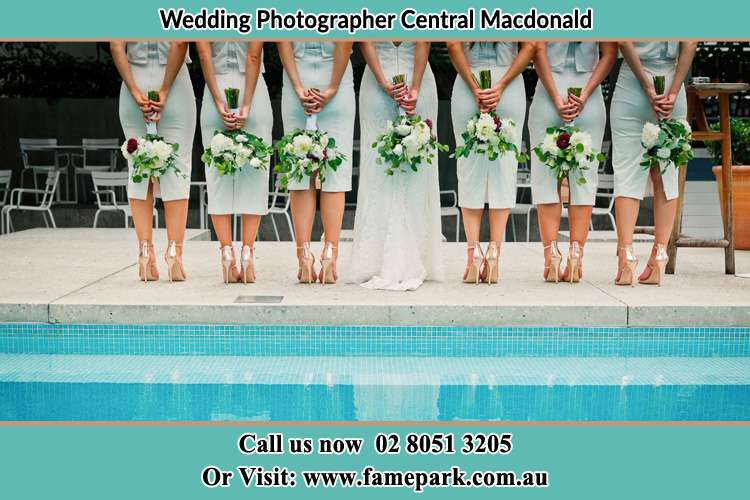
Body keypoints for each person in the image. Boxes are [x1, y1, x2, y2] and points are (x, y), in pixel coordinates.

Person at [347, 42, 444, 291]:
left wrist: (386, 82)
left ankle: (399, 254)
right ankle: (387, 255)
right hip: (404, 81)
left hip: (396, 79)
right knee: (380, 165)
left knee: (410, 163)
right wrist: (413, 87)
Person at [528, 41, 617, 282]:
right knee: (585, 179)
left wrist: (557, 98)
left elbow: (537, 49)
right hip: (588, 93)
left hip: (549, 91)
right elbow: (609, 54)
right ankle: (576, 254)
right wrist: (585, 94)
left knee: (546, 178)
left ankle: (552, 256)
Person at [611, 42, 697, 286]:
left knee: (628, 171)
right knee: (667, 172)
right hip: (673, 81)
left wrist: (648, 87)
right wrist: (674, 90)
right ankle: (660, 253)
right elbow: (690, 43)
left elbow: (623, 40)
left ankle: (626, 256)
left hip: (633, 82)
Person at [447, 41, 535, 284]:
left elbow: (453, 45)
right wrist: (501, 86)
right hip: (508, 83)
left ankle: (473, 253)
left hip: (468, 81)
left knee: (468, 169)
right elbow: (531, 45)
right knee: (505, 170)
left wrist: (476, 88)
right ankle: (494, 253)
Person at [111, 41, 195, 283]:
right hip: (174, 82)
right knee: (178, 167)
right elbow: (179, 42)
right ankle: (174, 252)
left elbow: (116, 46)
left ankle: (145, 252)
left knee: (138, 167)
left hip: (133, 80)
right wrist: (165, 90)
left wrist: (135, 92)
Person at [278, 42, 355, 284]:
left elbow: (283, 41)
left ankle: (304, 256)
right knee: (335, 171)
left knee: (300, 170)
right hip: (337, 77)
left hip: (296, 76)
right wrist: (332, 88)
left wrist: (298, 87)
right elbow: (345, 41)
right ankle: (330, 252)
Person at [197, 42, 272, 284]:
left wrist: (219, 101)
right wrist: (247, 104)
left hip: (216, 85)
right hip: (253, 89)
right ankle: (248, 251)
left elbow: (204, 52)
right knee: (255, 171)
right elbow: (253, 55)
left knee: (217, 174)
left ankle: (226, 252)